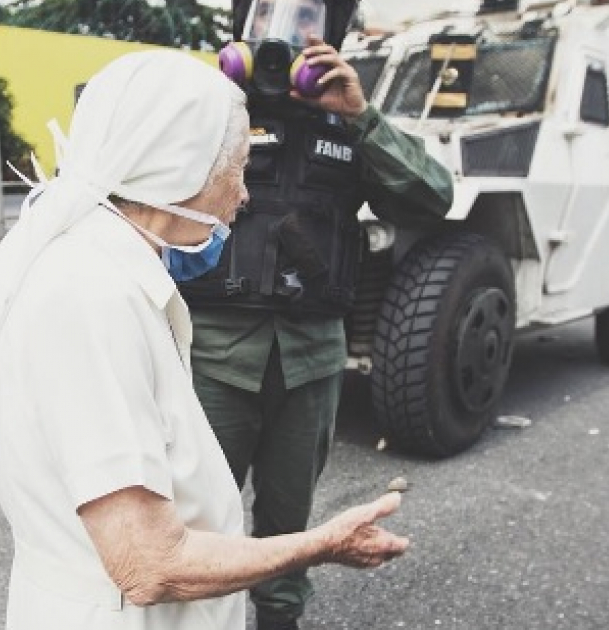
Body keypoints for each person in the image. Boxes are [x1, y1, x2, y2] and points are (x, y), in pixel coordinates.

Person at [0, 50, 409, 630]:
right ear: (177, 171)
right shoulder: (91, 298)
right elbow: (149, 564)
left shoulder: (98, 270)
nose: (244, 195)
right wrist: (321, 544)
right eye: (235, 169)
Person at [179, 30, 455, 630]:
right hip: (212, 358)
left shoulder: (346, 126)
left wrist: (361, 115)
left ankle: (279, 621)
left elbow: (432, 199)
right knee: (196, 522)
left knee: (289, 526)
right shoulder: (207, 112)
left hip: (311, 360)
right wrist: (209, 98)